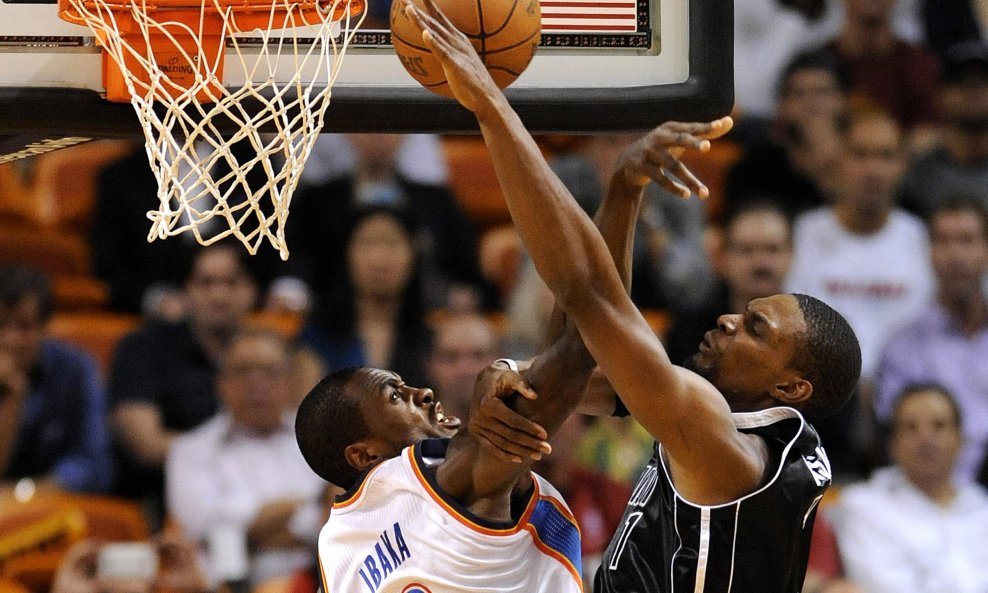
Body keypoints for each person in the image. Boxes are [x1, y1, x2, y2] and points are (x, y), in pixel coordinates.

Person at [400, 4, 861, 592]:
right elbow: (579, 355)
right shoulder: (739, 429)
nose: (727, 320)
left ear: (791, 388)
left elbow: (589, 295)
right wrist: (623, 189)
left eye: (755, 330)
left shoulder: (723, 442)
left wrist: (489, 106)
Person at [295, 115, 724, 592]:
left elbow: (566, 344)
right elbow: (588, 334)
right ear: (364, 453)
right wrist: (623, 188)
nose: (422, 391)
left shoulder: (339, 542)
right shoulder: (441, 478)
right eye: (395, 396)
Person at [109, 241, 258, 528]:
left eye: (231, 283)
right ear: (186, 291)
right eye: (206, 283)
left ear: (252, 291)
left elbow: (291, 433)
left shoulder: (269, 353)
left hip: (258, 491)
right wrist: (241, 454)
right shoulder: (142, 347)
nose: (219, 295)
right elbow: (146, 444)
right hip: (162, 500)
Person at [166, 330, 328, 590]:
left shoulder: (320, 439)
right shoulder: (190, 450)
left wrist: (249, 532)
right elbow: (201, 528)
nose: (256, 382)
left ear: (288, 380)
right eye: (243, 371)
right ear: (222, 382)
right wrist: (301, 511)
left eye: (269, 371)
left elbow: (338, 518)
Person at [827, 384, 988, 593]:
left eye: (938, 426)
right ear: (892, 443)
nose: (926, 439)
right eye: (911, 427)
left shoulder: (981, 507)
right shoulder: (864, 507)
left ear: (960, 439)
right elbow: (883, 587)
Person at [875, 195, 988, 482]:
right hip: (926, 493)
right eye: (943, 241)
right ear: (928, 252)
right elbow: (898, 438)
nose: (955, 254)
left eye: (967, 240)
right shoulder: (902, 347)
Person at [0, 264, 113, 498]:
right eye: (1, 325)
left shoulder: (76, 369)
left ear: (44, 328)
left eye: (24, 326)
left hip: (55, 506)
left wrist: (23, 494)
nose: (10, 340)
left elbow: (94, 465)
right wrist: (11, 399)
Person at [297, 205, 434, 388]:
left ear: (413, 253)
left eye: (392, 243)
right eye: (367, 244)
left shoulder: (434, 340)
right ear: (346, 254)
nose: (379, 258)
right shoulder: (316, 338)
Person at [664, 199, 794, 365]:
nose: (760, 262)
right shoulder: (691, 331)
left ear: (791, 254)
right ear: (722, 258)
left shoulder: (809, 331)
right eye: (746, 250)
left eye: (772, 249)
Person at [897, 41, 988, 219]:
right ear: (939, 96)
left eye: (985, 80)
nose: (973, 89)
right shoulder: (919, 174)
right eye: (959, 79)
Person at [424, 311, 502, 421]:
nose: (465, 370)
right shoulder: (407, 436)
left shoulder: (527, 433)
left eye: (478, 356)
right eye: (450, 357)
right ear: (430, 366)